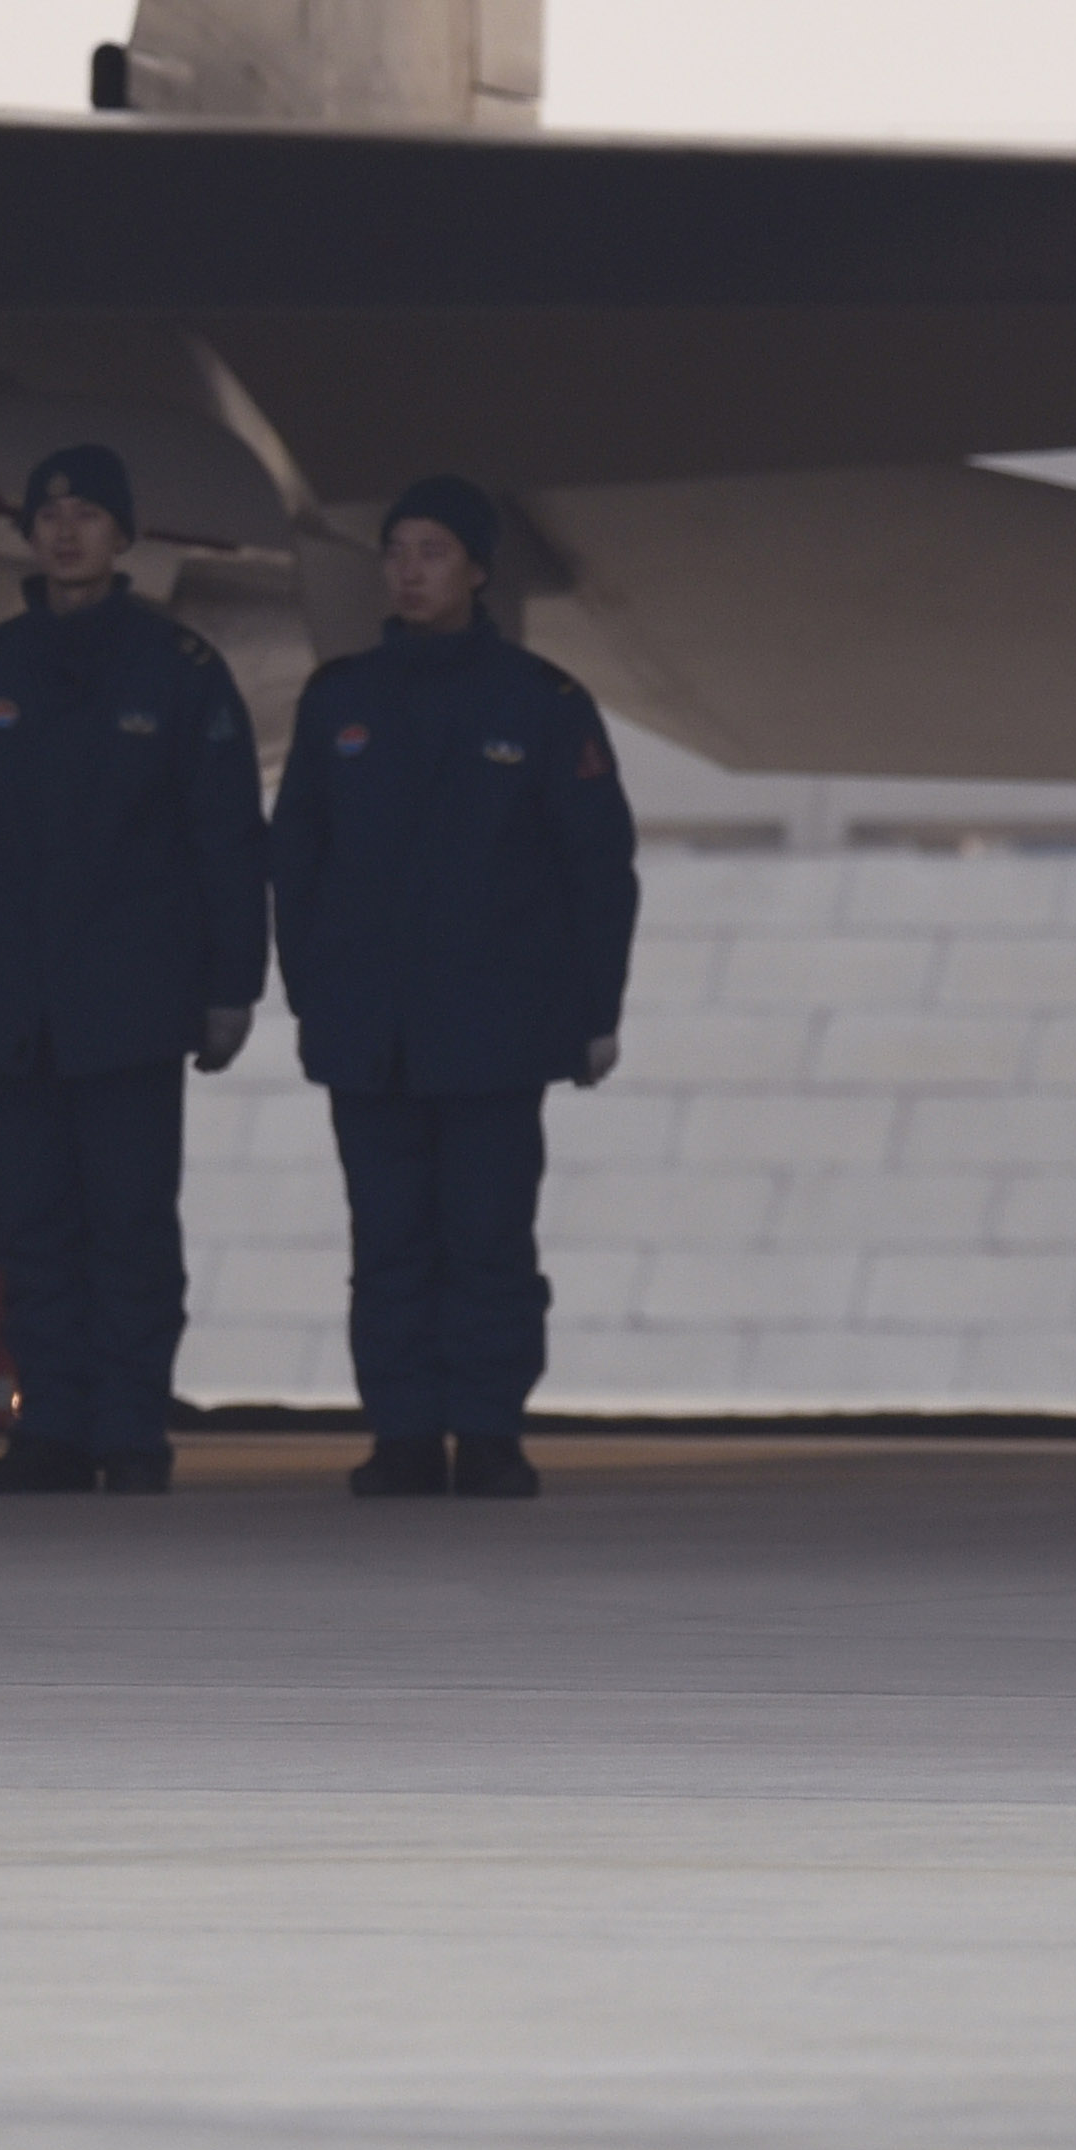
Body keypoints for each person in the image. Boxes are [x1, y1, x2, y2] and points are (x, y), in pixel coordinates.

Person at [0, 442, 269, 1497]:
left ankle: (129, 1427)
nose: (66, 529)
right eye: (49, 511)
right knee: (32, 1229)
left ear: (124, 535)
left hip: (130, 1003)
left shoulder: (177, 671)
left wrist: (229, 983)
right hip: (11, 1003)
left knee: (130, 1226)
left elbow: (227, 840)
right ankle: (51, 1426)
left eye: (88, 513)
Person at [268, 476, 640, 1502]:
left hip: (494, 1030)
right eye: (397, 550)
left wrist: (592, 1010)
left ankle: (485, 1429)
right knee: (386, 1242)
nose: (409, 568)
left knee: (484, 1238)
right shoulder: (341, 699)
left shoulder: (538, 701)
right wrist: (314, 994)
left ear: (477, 568)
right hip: (371, 1030)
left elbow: (596, 870)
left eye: (433, 549)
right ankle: (400, 1429)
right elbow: (295, 859)